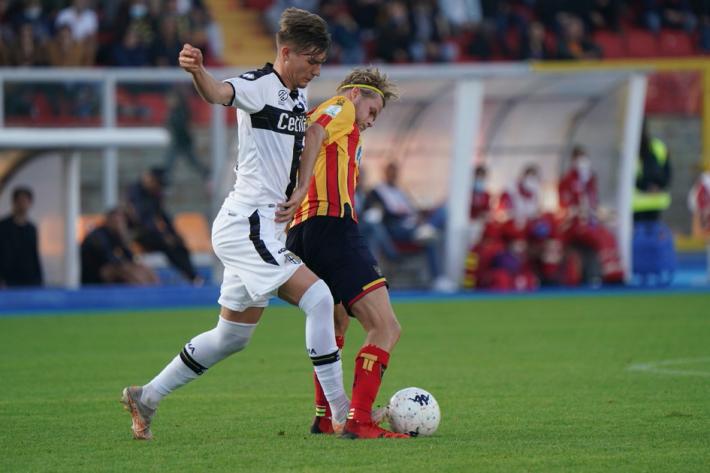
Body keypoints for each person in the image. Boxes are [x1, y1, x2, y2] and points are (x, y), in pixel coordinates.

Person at [120, 7, 350, 442]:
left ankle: (145, 396)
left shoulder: (296, 97)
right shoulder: (258, 85)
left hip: (263, 227)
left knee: (231, 337)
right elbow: (217, 93)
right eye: (312, 61)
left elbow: (305, 143)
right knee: (320, 298)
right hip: (248, 223)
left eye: (321, 62)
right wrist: (198, 71)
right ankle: (343, 414)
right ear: (287, 52)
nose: (317, 71)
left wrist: (302, 187)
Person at [283, 67, 409, 439]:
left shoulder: (341, 129)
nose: (371, 120)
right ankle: (359, 420)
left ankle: (325, 417)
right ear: (356, 94)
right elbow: (314, 132)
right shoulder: (342, 107)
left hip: (302, 232)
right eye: (373, 110)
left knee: (336, 324)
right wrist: (303, 188)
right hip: (331, 226)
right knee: (385, 327)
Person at [366, 161, 450, 290]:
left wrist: (418, 218)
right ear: (385, 173)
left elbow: (411, 210)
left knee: (437, 222)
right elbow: (378, 214)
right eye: (391, 171)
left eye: (395, 172)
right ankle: (425, 230)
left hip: (411, 224)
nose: (393, 175)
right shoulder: (377, 191)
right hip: (395, 228)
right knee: (426, 235)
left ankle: (437, 279)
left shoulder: (400, 191)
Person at [558, 145, 623, 283]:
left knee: (608, 235)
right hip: (576, 225)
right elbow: (566, 207)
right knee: (601, 237)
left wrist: (603, 215)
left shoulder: (590, 179)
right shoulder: (567, 181)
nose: (583, 162)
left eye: (584, 158)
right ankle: (609, 274)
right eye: (579, 159)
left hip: (590, 222)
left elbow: (594, 204)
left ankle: (614, 272)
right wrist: (579, 211)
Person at [126, 167, 200, 284]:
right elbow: (143, 220)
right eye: (158, 183)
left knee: (178, 243)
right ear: (151, 179)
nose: (159, 188)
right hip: (136, 234)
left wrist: (174, 234)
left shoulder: (153, 194)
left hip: (152, 233)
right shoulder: (135, 193)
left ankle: (193, 276)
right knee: (168, 245)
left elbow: (163, 216)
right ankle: (192, 277)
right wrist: (165, 236)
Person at [81, 207, 158, 285]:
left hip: (106, 269)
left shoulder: (116, 236)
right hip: (92, 275)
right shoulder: (98, 235)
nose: (119, 224)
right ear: (109, 220)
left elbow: (130, 258)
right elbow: (107, 259)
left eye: (122, 221)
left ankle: (155, 289)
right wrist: (126, 265)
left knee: (141, 268)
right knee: (125, 271)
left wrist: (123, 237)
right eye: (117, 221)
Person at [0, 186, 43, 288]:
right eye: (20, 201)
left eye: (25, 201)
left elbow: (34, 254)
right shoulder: (3, 226)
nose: (22, 204)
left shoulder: (31, 228)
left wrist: (39, 278)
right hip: (8, 279)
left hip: (29, 279)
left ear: (30, 203)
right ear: (14, 202)